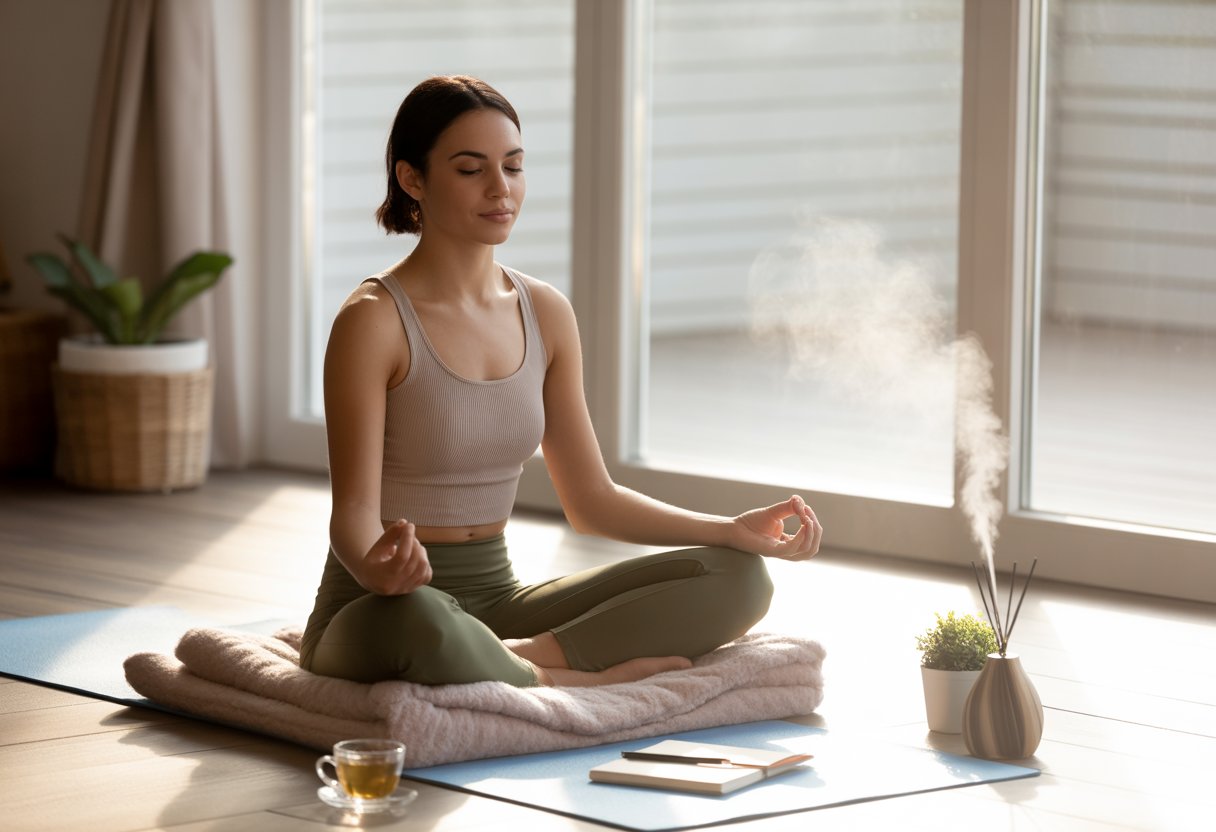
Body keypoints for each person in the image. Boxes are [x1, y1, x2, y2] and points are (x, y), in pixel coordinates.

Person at [299, 75, 822, 688]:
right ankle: (569, 681)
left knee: (738, 577)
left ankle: (523, 657)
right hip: (382, 608)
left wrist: (728, 530)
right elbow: (354, 514)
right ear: (412, 178)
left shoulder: (544, 311)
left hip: (498, 602)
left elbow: (592, 500)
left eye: (513, 167)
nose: (502, 189)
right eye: (471, 170)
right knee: (425, 618)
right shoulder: (373, 320)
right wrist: (376, 571)